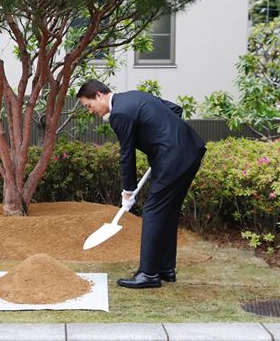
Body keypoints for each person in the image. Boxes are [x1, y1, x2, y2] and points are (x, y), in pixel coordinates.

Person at [77, 80, 206, 289]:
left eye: (88, 105)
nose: (91, 111)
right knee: (167, 212)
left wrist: (127, 191)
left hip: (171, 159)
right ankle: (165, 269)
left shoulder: (119, 114)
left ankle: (148, 274)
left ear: (99, 94)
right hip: (190, 152)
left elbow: (126, 155)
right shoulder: (135, 96)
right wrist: (165, 137)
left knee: (153, 212)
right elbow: (175, 109)